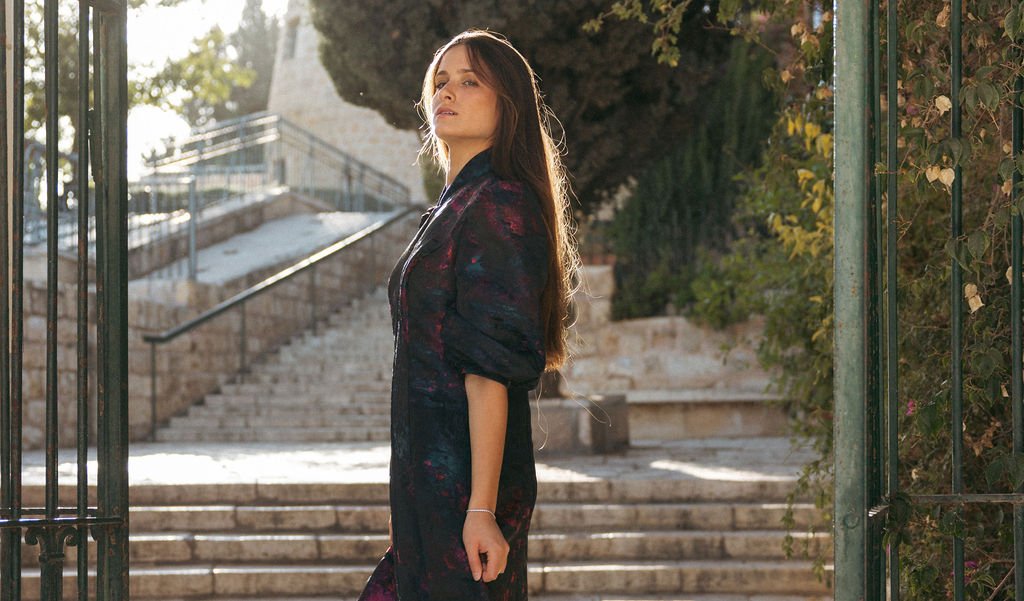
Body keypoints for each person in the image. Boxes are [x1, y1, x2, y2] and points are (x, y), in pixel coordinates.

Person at [357, 28, 579, 601]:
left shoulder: (500, 205)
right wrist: (408, 505)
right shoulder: (454, 206)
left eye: (469, 81)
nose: (446, 92)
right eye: (439, 81)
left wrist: (480, 509)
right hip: (430, 492)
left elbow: (487, 374)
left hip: (465, 494)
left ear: (508, 105)